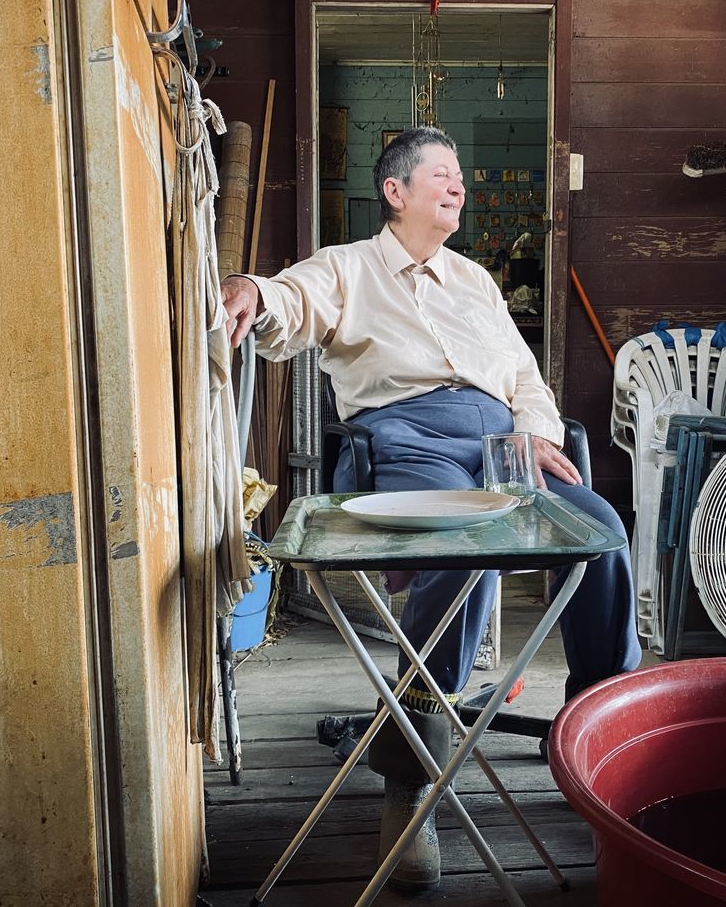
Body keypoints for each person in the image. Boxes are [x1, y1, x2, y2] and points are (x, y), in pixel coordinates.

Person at [221, 126, 639, 889]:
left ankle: (600, 725)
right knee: (466, 533)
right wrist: (253, 291)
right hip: (407, 437)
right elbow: (292, 301)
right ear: (396, 191)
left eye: (459, 178)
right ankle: (413, 767)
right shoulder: (349, 266)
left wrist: (540, 435)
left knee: (603, 531)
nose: (458, 187)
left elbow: (525, 376)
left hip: (502, 442)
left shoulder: (477, 281)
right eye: (442, 175)